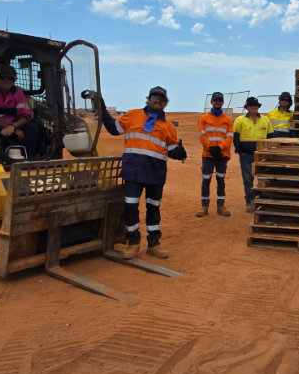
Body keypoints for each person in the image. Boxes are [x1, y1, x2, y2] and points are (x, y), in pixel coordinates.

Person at [92, 86, 187, 260]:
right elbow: (114, 128)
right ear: (148, 99)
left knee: (153, 208)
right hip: (133, 171)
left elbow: (173, 150)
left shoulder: (169, 127)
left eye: (161, 99)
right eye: (154, 98)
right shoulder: (132, 115)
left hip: (155, 174)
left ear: (166, 103)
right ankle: (133, 243)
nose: (158, 101)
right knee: (130, 206)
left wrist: (179, 153)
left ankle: (154, 244)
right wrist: (102, 109)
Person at [0, 63, 39, 157]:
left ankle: (28, 159)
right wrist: (9, 127)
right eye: (2, 76)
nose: (6, 80)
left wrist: (13, 126)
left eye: (10, 78)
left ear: (15, 79)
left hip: (13, 126)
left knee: (32, 128)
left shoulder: (17, 92)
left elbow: (26, 115)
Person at [196, 92, 234, 217]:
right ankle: (204, 206)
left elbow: (230, 136)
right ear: (211, 102)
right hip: (208, 155)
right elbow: (201, 134)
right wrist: (210, 147)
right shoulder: (204, 118)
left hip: (222, 155)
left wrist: (220, 147)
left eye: (219, 100)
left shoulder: (228, 120)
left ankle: (221, 206)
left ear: (223, 102)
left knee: (220, 180)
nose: (217, 102)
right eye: (215, 100)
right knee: (206, 180)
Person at [233, 96, 271, 212]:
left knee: (263, 178)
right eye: (250, 105)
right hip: (246, 155)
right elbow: (236, 137)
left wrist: (269, 152)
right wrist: (240, 152)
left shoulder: (265, 120)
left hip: (262, 155)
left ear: (258, 107)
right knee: (248, 179)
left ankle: (263, 201)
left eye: (255, 105)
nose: (253, 107)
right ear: (247, 107)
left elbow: (271, 136)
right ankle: (249, 202)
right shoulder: (240, 120)